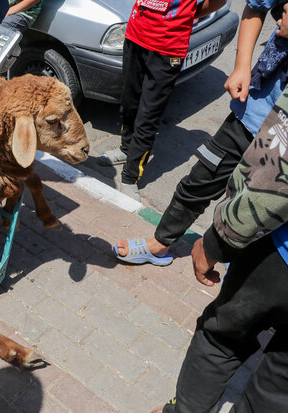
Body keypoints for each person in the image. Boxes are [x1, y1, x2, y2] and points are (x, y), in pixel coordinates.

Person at [155, 13, 288, 408]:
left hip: (278, 259)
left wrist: (214, 243)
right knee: (277, 387)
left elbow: (273, 185)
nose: (280, 9)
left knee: (221, 338)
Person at [114, 0, 288, 266]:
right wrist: (242, 65)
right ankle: (160, 243)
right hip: (253, 111)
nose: (280, 16)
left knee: (260, 211)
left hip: (282, 139)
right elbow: (255, 6)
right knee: (201, 178)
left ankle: (233, 267)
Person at [98, 0, 227, 201]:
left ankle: (130, 177)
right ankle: (126, 149)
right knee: (129, 102)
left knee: (147, 115)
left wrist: (184, 16)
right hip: (135, 36)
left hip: (167, 49)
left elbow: (218, 2)